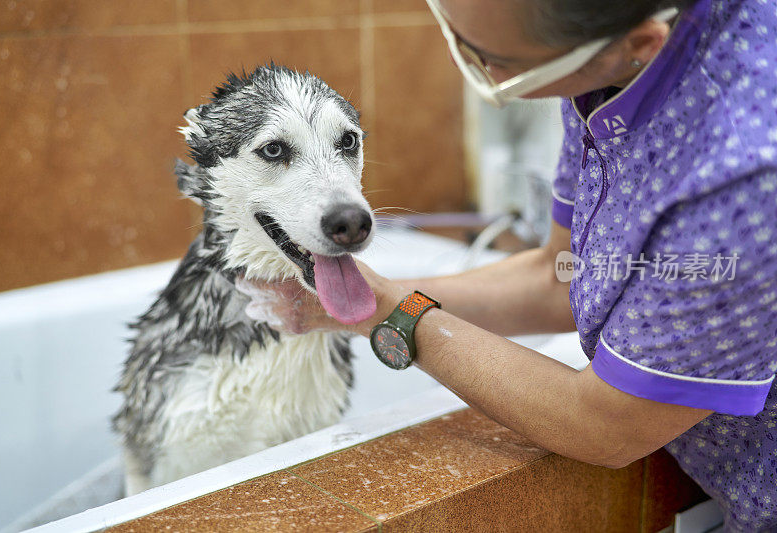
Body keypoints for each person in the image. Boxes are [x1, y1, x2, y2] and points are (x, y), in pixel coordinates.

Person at [237, 0, 777, 530]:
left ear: (637, 44)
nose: (466, 63)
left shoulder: (743, 177)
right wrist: (357, 301)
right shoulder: (603, 65)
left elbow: (609, 425)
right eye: (454, 32)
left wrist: (393, 314)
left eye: (495, 61)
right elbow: (559, 275)